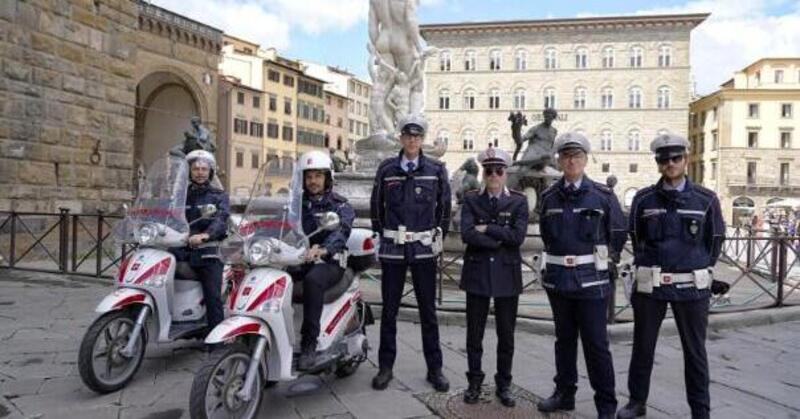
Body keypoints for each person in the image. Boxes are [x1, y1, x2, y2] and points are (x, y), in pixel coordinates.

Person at [618, 133, 726, 419]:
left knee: (695, 353)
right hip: (651, 285)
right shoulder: (643, 199)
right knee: (643, 347)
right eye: (664, 159)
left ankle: (700, 411)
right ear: (657, 163)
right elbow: (636, 236)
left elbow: (714, 240)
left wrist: (698, 266)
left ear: (686, 159)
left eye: (676, 158)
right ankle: (636, 402)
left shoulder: (706, 199)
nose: (670, 164)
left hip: (691, 286)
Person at [537, 132, 626, 418]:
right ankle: (565, 394)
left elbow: (618, 233)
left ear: (585, 159)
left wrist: (608, 260)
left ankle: (606, 407)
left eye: (576, 155)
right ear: (559, 160)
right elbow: (547, 234)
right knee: (563, 341)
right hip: (559, 280)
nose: (571, 160)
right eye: (566, 155)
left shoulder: (602, 196)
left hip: (591, 283)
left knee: (596, 345)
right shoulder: (549, 196)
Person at [369, 114, 451, 392]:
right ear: (401, 138)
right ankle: (385, 367)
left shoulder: (436, 170)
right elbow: (376, 207)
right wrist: (383, 233)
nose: (412, 140)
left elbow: (444, 207)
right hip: (393, 250)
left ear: (422, 140)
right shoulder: (387, 169)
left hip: (423, 251)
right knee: (389, 311)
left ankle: (435, 369)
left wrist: (437, 234)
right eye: (408, 135)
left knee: (428, 312)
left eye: (417, 136)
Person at [460, 147, 528, 407]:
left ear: (505, 173)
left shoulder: (519, 201)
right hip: (477, 273)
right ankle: (474, 382)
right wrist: (498, 240)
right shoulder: (471, 199)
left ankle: (504, 384)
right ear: (484, 173)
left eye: (499, 170)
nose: (494, 175)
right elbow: (466, 233)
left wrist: (488, 228)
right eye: (489, 170)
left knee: (506, 336)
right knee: (474, 335)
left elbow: (518, 237)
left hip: (506, 275)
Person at [291, 150, 355, 370]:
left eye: (318, 176)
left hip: (331, 262)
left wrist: (324, 249)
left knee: (312, 281)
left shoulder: (340, 205)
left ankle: (309, 342)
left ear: (327, 178)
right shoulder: (295, 204)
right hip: (299, 258)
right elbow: (279, 225)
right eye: (309, 176)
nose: (313, 181)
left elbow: (341, 231)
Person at [172, 150, 230, 344]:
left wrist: (206, 235)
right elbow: (170, 215)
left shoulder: (218, 195)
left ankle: (216, 340)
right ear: (189, 171)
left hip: (209, 251)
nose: (199, 172)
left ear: (210, 172)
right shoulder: (181, 195)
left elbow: (221, 219)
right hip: (182, 248)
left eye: (204, 169)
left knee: (212, 294)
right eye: (195, 168)